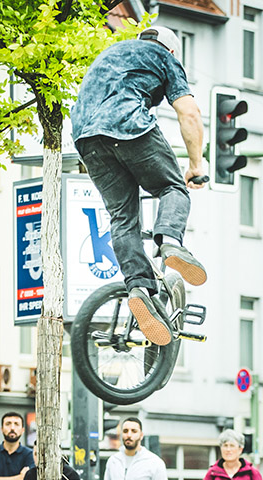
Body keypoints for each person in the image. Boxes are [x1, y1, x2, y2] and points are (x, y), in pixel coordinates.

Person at [71, 26, 208, 346]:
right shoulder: (164, 56)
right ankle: (171, 242)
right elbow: (189, 112)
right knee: (172, 188)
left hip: (86, 139)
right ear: (172, 52)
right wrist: (195, 164)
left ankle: (139, 288)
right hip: (126, 124)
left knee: (122, 217)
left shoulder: (109, 56)